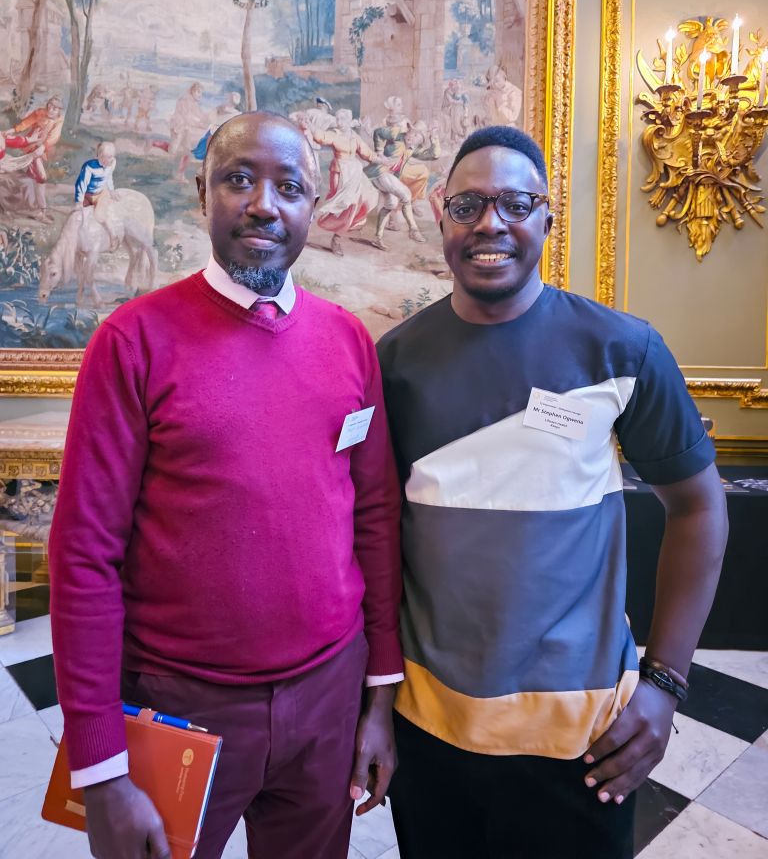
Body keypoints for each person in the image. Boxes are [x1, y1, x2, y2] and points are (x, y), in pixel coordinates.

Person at [49, 111, 403, 859]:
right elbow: (84, 556)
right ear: (201, 192)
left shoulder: (348, 340)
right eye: (239, 179)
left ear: (314, 205)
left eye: (289, 187)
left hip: (327, 698)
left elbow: (373, 517)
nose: (263, 205)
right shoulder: (132, 341)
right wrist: (100, 770)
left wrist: (380, 696)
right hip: (179, 704)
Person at [377, 125, 728, 859]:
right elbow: (374, 537)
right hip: (430, 727)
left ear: (547, 218)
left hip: (583, 734)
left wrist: (665, 683)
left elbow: (697, 506)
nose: (490, 223)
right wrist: (373, 704)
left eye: (515, 203)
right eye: (468, 204)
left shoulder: (622, 349)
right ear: (441, 215)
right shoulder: (394, 362)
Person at [303, 108, 380, 256]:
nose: (339, 122)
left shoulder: (354, 136)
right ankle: (324, 229)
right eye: (337, 119)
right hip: (340, 173)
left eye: (342, 119)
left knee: (366, 198)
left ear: (349, 120)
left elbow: (366, 153)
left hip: (355, 173)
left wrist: (380, 159)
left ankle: (338, 236)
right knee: (342, 205)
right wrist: (310, 125)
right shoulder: (335, 134)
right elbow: (321, 137)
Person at [4, 94, 64, 221]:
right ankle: (40, 211)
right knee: (41, 177)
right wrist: (13, 130)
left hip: (40, 151)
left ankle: (40, 210)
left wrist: (44, 146)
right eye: (49, 106)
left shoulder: (58, 121)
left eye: (54, 108)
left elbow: (54, 137)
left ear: (59, 110)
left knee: (35, 178)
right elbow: (25, 123)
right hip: (31, 148)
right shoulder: (40, 113)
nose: (50, 110)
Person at [73, 141, 120, 250]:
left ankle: (113, 237)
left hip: (101, 193)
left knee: (99, 215)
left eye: (110, 157)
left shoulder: (112, 163)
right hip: (87, 194)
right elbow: (81, 184)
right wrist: (79, 201)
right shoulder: (89, 166)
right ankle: (80, 240)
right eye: (103, 157)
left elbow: (109, 177)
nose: (106, 160)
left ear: (113, 157)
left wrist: (112, 191)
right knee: (79, 215)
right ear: (97, 155)